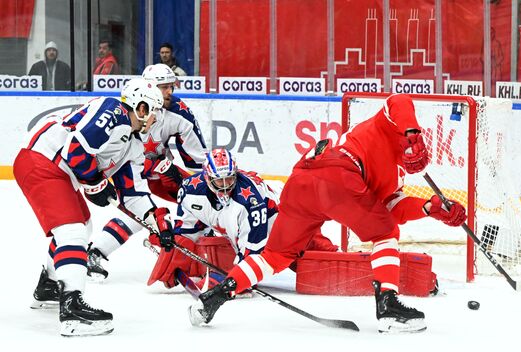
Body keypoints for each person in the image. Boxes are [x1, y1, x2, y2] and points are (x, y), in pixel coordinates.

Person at [187, 94, 467, 334]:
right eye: (413, 152)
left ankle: (214, 297)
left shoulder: (396, 178)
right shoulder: (386, 125)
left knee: (276, 255)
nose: (413, 159)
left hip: (302, 181)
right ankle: (389, 307)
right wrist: (411, 133)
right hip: (338, 175)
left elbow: (392, 209)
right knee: (386, 235)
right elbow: (399, 100)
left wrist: (430, 208)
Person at [13, 78, 176, 336]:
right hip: (41, 160)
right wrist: (96, 182)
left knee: (83, 226)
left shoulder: (133, 145)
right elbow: (76, 151)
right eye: (155, 112)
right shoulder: (112, 110)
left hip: (58, 171)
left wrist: (157, 223)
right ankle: (72, 308)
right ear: (142, 108)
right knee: (72, 232)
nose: (156, 120)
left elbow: (132, 192)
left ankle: (49, 285)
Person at [147, 148, 338, 290]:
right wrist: (173, 245)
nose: (224, 187)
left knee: (319, 265)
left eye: (229, 179)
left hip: (282, 217)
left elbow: (253, 252)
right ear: (207, 178)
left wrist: (233, 283)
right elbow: (189, 231)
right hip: (247, 225)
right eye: (218, 181)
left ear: (235, 174)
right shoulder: (189, 191)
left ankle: (348, 265)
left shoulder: (250, 202)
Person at [86, 63, 208, 280]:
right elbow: (115, 151)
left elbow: (197, 161)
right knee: (138, 215)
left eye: (172, 86)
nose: (170, 92)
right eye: (164, 87)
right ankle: (96, 252)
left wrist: (196, 184)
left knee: (199, 198)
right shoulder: (131, 110)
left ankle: (205, 245)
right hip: (128, 168)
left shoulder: (179, 113)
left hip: (161, 172)